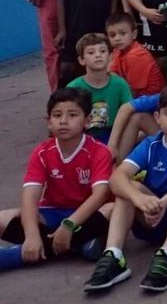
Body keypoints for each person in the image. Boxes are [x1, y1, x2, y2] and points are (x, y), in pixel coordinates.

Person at [83, 85, 167, 293]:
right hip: (153, 218)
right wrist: (138, 198)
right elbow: (117, 177)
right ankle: (114, 256)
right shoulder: (150, 144)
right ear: (157, 117)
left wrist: (166, 201)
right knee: (128, 186)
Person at [0, 88, 113, 273]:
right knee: (3, 218)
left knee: (112, 209)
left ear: (86, 121)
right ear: (49, 122)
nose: (63, 121)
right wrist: (32, 235)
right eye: (57, 115)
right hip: (53, 212)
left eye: (72, 115)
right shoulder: (42, 152)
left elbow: (100, 195)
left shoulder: (99, 151)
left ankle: (14, 256)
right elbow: (30, 197)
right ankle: (78, 246)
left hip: (87, 215)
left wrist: (69, 225)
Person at [67, 33, 133, 141]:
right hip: (84, 135)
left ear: (110, 57)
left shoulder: (120, 84)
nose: (98, 55)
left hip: (114, 133)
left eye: (102, 51)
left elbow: (130, 112)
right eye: (91, 52)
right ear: (81, 60)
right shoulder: (73, 87)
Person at [106, 12, 165, 98]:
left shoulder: (136, 55)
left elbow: (132, 92)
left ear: (134, 34)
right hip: (135, 96)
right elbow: (110, 74)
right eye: (112, 35)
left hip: (152, 99)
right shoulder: (117, 51)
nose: (117, 38)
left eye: (122, 33)